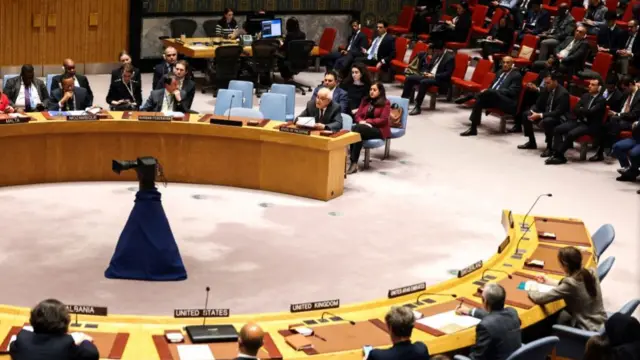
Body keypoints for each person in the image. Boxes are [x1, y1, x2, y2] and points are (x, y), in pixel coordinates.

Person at [527, 246, 606, 331]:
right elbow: (572, 288)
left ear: (565, 265)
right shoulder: (591, 272)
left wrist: (531, 289)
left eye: (560, 265)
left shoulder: (571, 284)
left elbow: (540, 299)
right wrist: (549, 281)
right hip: (602, 322)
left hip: (588, 329)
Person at [9, 298, 99, 360]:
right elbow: (92, 354)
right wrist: (84, 340)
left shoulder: (22, 338)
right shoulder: (68, 343)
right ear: (65, 322)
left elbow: (13, 348)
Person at [545, 78, 606, 164]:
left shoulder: (601, 100)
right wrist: (583, 110)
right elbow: (575, 109)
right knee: (558, 129)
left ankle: (559, 155)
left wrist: (582, 110)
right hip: (579, 121)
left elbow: (591, 113)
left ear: (599, 88)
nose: (589, 86)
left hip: (590, 125)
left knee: (571, 134)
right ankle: (556, 153)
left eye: (593, 85)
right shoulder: (585, 96)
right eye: (589, 84)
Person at [458, 56, 522, 136]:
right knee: (479, 101)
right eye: (504, 62)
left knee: (490, 92)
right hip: (495, 98)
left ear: (512, 64)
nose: (505, 64)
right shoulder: (499, 72)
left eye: (508, 63)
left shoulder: (516, 75)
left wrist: (494, 91)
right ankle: (473, 129)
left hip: (508, 102)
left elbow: (512, 91)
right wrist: (490, 91)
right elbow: (492, 86)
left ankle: (472, 96)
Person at [455, 283, 522, 360]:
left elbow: (477, 357)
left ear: (485, 301)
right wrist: (470, 311)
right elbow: (497, 317)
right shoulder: (512, 312)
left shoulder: (485, 326)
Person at [518, 72, 571, 150]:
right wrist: (532, 111)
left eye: (548, 83)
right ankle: (531, 142)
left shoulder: (563, 94)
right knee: (527, 114)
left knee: (547, 121)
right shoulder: (546, 89)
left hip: (559, 118)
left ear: (555, 81)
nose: (546, 85)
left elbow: (558, 112)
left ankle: (549, 147)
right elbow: (538, 104)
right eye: (545, 83)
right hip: (546, 113)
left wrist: (540, 115)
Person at [348, 82, 391, 174]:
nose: (371, 92)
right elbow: (358, 115)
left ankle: (353, 162)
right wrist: (361, 121)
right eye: (371, 89)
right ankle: (353, 162)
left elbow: (383, 120)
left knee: (357, 129)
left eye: (374, 90)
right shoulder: (365, 100)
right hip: (363, 127)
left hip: (378, 129)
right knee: (357, 130)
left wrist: (367, 122)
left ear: (380, 91)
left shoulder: (385, 103)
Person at [401, 42, 455, 115]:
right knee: (409, 78)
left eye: (437, 51)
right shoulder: (436, 54)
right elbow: (428, 66)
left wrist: (433, 75)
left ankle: (417, 106)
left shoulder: (450, 58)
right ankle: (404, 101)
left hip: (439, 79)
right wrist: (425, 72)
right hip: (429, 75)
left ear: (443, 49)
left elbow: (447, 74)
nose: (436, 53)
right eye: (435, 51)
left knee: (424, 82)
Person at [596, 76, 640, 160]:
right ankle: (603, 151)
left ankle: (612, 148)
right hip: (621, 118)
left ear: (630, 85)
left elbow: (634, 114)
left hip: (632, 121)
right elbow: (621, 107)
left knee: (613, 121)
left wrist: (618, 114)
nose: (624, 91)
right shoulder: (626, 94)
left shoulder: (639, 96)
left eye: (625, 88)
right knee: (605, 125)